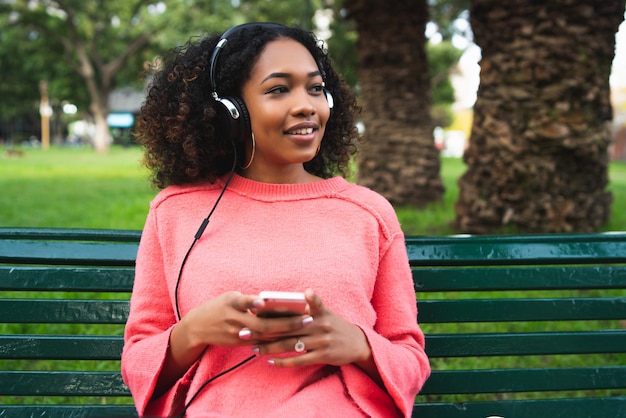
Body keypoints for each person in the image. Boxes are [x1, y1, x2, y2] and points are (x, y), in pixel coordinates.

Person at [121, 22, 430, 418]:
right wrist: (193, 332)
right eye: (278, 89)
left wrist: (359, 344)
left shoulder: (368, 213)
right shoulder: (175, 212)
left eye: (315, 88)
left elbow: (410, 359)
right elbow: (138, 361)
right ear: (230, 110)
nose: (306, 105)